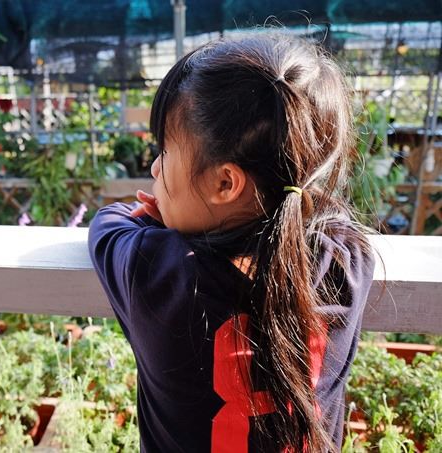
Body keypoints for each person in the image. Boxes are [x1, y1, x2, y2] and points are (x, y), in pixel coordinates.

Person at [88, 33, 375, 453]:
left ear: (226, 182)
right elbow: (327, 220)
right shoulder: (346, 262)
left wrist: (163, 223)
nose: (153, 166)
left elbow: (107, 223)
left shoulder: (155, 272)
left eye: (165, 152)